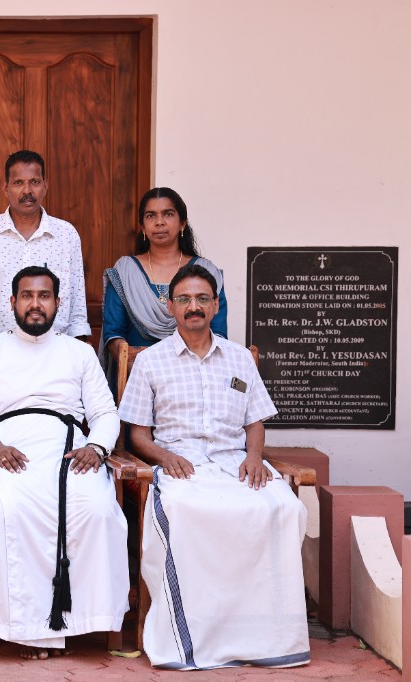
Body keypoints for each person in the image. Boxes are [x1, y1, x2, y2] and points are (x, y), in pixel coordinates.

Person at [118, 264, 309, 670]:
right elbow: (137, 436)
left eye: (202, 299)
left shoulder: (239, 358)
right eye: (184, 299)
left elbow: (255, 422)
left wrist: (254, 456)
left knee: (283, 509)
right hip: (180, 466)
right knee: (186, 513)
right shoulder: (150, 362)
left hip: (234, 463)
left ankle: (267, 636)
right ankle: (195, 637)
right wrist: (164, 457)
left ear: (215, 305)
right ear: (169, 307)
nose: (193, 307)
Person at [0, 265, 126, 660]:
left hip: (68, 448)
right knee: (7, 509)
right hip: (7, 449)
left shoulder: (79, 352)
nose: (35, 304)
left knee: (97, 508)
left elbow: (105, 413)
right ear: (12, 302)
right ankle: (25, 628)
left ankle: (81, 620)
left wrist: (97, 447)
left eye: (44, 296)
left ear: (57, 304)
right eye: (27, 296)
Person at [0, 150, 90, 345]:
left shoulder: (66, 235)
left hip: (54, 354)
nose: (27, 190)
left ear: (46, 185)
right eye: (18, 183)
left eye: (34, 182)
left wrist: (77, 353)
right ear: (5, 188)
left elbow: (78, 307)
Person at [101, 187, 228, 364]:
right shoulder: (125, 272)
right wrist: (138, 368)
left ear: (182, 223)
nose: (159, 222)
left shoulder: (206, 272)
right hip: (137, 373)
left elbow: (218, 332)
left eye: (168, 214)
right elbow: (114, 333)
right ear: (143, 226)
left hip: (197, 373)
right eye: (151, 215)